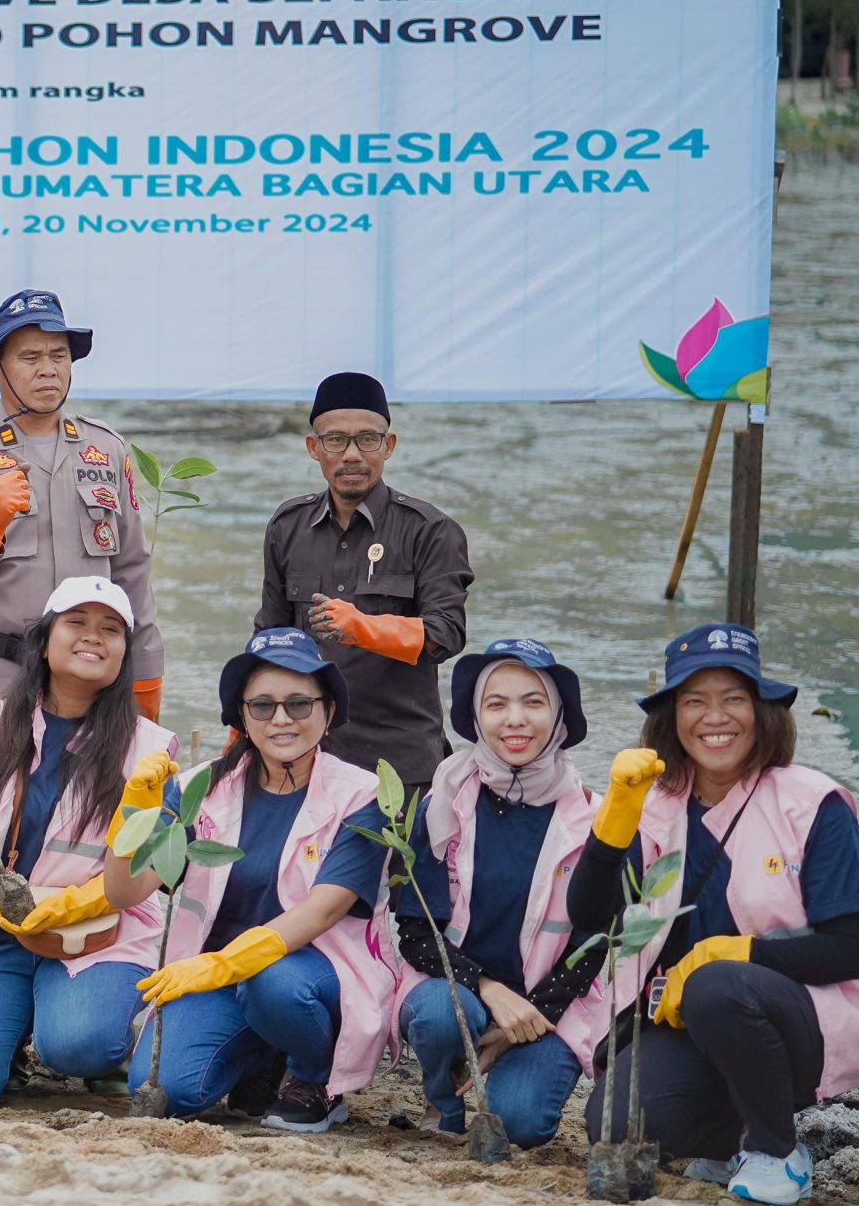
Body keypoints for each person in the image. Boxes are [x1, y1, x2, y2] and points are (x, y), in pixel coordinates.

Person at [571, 625, 859, 1206]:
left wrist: (738, 952)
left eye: (733, 699)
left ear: (761, 711)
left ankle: (777, 1150)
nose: (714, 717)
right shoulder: (655, 803)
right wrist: (614, 818)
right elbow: (593, 918)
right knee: (616, 1126)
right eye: (694, 700)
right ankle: (739, 1135)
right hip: (689, 1022)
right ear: (672, 717)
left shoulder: (812, 802)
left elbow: (848, 951)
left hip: (803, 1017)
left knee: (718, 984)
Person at [0, 576, 180, 1110]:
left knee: (80, 1044)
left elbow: (141, 888)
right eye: (76, 622)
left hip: (97, 932)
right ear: (45, 638)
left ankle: (99, 1032)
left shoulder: (150, 749)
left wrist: (80, 897)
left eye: (110, 629)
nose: (93, 637)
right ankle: (7, 1023)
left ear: (126, 652)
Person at [119, 627, 394, 1132]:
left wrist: (223, 965)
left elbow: (324, 909)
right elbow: (126, 891)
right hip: (223, 978)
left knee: (273, 983)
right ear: (242, 716)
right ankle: (265, 1059)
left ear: (329, 711)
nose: (281, 719)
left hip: (312, 975)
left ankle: (314, 1079)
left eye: (299, 704)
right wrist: (134, 810)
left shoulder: (364, 795)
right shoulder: (197, 788)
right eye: (262, 706)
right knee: (167, 1091)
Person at [393, 639, 610, 1150]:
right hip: (457, 989)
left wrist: (523, 1021)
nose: (515, 719)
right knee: (444, 1014)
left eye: (533, 702)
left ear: (559, 715)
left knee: (521, 1126)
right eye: (497, 704)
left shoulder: (595, 818)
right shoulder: (439, 802)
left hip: (547, 1002)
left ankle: (511, 1067)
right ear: (475, 716)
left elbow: (594, 945)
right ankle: (443, 1100)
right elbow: (415, 933)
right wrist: (489, 989)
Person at [0, 293, 164, 718]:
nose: (48, 369)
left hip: (91, 687)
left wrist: (145, 676)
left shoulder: (105, 448)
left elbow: (131, 571)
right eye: (30, 357)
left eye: (59, 355)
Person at [255, 370, 473, 794]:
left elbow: (447, 635)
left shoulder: (430, 530)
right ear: (314, 448)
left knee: (400, 864)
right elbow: (269, 635)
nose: (351, 454)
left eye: (367, 439)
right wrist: (246, 727)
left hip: (399, 764)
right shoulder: (287, 526)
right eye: (335, 440)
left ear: (388, 446)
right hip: (303, 758)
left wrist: (364, 628)